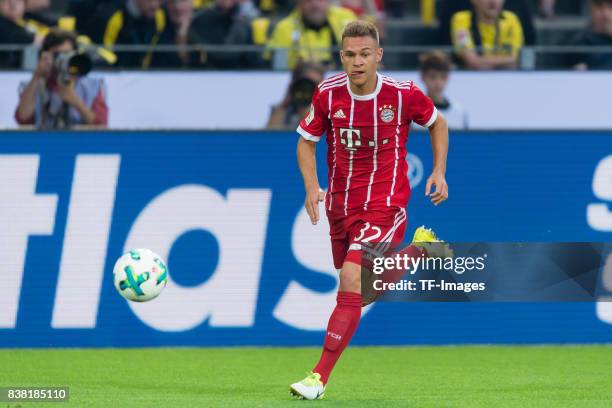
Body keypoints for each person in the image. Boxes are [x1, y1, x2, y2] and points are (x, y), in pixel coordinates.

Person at [291, 20, 449, 400]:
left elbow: (437, 123)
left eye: (365, 54)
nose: (357, 62)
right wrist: (312, 186)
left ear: (378, 56)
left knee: (350, 280)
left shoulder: (403, 94)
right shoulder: (328, 94)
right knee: (363, 295)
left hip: (384, 204)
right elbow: (306, 142)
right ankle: (418, 251)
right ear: (341, 56)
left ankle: (318, 377)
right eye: (350, 54)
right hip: (342, 207)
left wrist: (439, 172)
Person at [15, 29, 108, 129]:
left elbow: (101, 125)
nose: (64, 59)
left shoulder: (93, 86)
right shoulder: (32, 85)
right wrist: (37, 76)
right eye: (57, 54)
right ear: (45, 55)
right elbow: (23, 119)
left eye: (68, 53)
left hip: (81, 142)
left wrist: (74, 100)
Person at [266, 0, 357, 70]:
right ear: (299, 4)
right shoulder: (284, 28)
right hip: (304, 82)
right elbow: (279, 69)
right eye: (308, 0)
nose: (315, 5)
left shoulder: (346, 18)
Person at [450, 0, 525, 70]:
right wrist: (505, 61)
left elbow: (515, 59)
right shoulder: (461, 19)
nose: (493, 1)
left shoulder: (511, 20)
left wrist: (480, 61)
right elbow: (471, 61)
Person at [267, 61, 324, 129]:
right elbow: (268, 135)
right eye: (305, 83)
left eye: (316, 84)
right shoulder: (283, 110)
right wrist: (284, 104)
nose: (308, 89)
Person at [419, 50, 468, 130]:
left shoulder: (459, 112)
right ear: (423, 77)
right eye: (433, 77)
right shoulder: (413, 113)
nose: (438, 83)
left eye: (443, 77)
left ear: (448, 78)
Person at [569, 0, 612, 70]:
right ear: (590, 9)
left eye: (610, 7)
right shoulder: (578, 41)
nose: (605, 14)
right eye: (599, 6)